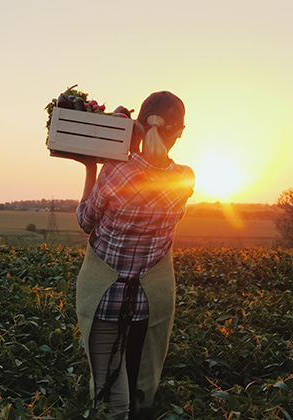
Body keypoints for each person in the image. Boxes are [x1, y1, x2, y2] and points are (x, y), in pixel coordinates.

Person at [74, 91, 195, 419]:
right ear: (180, 132)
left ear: (139, 125)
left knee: (111, 396)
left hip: (104, 297)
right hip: (148, 301)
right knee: (138, 383)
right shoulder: (185, 178)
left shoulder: (115, 170)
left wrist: (91, 167)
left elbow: (86, 221)